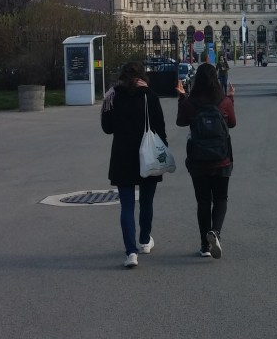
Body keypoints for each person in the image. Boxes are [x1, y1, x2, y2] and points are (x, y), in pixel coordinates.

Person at [101, 62, 168, 269]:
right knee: (146, 202)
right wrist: (163, 151)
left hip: (123, 156)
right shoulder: (150, 96)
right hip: (147, 156)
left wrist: (106, 104)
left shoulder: (113, 96)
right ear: (142, 76)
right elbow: (160, 128)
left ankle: (131, 252)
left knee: (127, 206)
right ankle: (145, 240)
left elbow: (107, 128)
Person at [175, 63, 236, 258]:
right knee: (221, 199)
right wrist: (231, 99)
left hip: (198, 160)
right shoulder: (223, 101)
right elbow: (232, 123)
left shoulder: (191, 103)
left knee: (203, 201)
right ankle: (215, 232)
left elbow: (181, 121)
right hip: (222, 159)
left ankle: (204, 246)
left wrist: (182, 97)